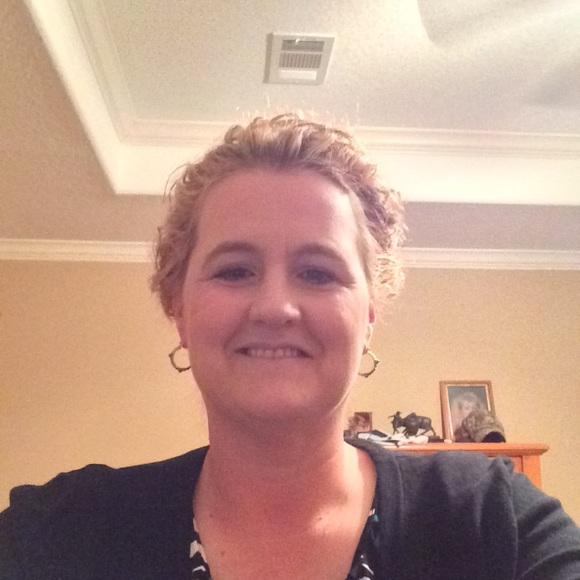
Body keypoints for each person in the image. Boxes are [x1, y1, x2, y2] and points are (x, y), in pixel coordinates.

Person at [1, 114, 579, 579]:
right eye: (234, 271)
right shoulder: (62, 531)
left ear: (369, 315)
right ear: (179, 310)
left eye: (318, 273)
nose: (276, 307)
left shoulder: (492, 520)